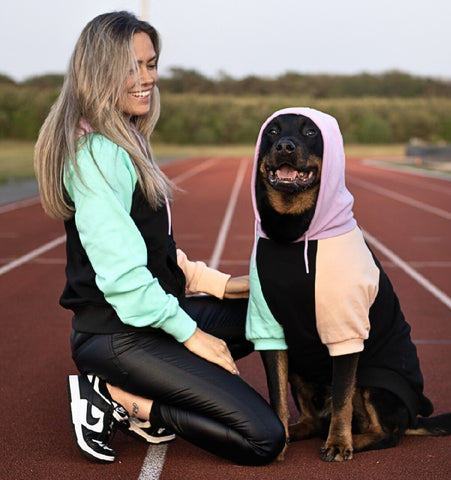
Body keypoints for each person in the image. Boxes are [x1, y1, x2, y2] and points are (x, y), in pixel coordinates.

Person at [34, 11, 285, 466]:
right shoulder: (95, 156)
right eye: (132, 67)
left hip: (148, 317)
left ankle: (139, 385)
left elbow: (152, 248)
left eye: (151, 64)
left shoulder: (124, 137)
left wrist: (217, 284)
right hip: (117, 335)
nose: (146, 78)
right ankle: (117, 397)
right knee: (263, 439)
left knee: (271, 312)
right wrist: (194, 336)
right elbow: (125, 278)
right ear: (99, 72)